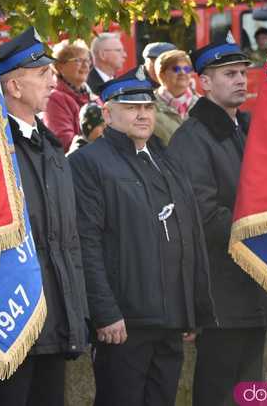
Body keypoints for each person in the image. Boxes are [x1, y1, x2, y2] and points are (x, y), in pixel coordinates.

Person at [68, 67, 216, 406]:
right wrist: (104, 312)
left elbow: (188, 230)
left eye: (148, 107)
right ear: (107, 112)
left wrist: (191, 306)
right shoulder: (88, 162)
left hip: (170, 317)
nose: (143, 114)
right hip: (125, 322)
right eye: (132, 107)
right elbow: (86, 243)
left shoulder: (165, 158)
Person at [168, 39, 267, 406]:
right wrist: (260, 232)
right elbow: (203, 213)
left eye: (243, 72)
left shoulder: (242, 130)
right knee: (219, 390)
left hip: (251, 283)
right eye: (229, 74)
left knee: (246, 388)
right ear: (204, 83)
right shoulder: (192, 138)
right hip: (220, 288)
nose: (241, 80)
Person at [0, 26, 90, 406]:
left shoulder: (48, 146)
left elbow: (68, 239)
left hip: (54, 313)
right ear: (13, 87)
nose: (52, 79)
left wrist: (76, 310)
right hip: (10, 318)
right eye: (42, 73)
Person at [43, 40, 93, 152]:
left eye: (87, 61)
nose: (86, 65)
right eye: (78, 60)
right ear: (60, 66)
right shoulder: (54, 98)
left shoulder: (91, 96)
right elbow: (63, 141)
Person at [153, 49, 199, 146]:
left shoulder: (204, 105)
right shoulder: (148, 106)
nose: (182, 72)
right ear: (162, 74)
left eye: (187, 69)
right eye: (176, 69)